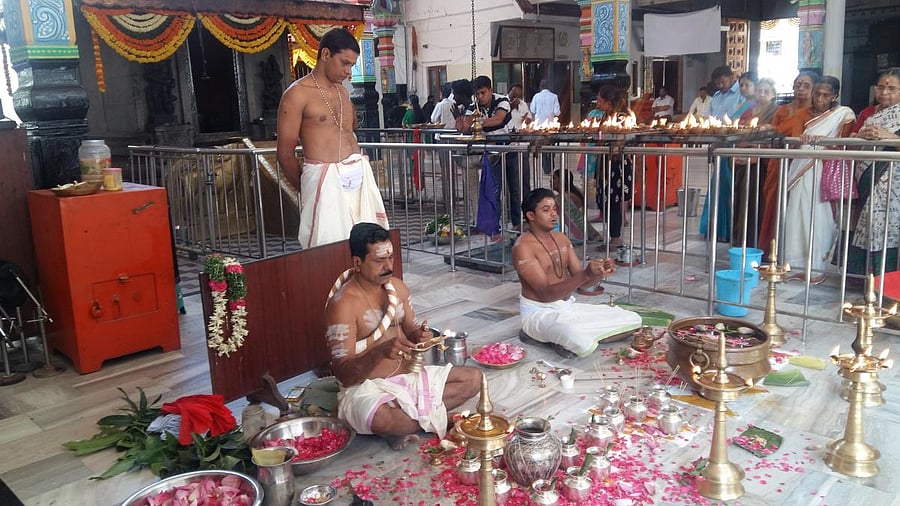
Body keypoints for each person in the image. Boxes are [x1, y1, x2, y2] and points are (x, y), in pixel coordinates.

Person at [326, 223, 482, 449]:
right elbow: (343, 374)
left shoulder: (397, 288)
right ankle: (429, 418)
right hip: (367, 389)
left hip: (410, 378)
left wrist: (422, 335)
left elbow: (411, 331)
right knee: (382, 417)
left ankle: (407, 423)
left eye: (390, 258)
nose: (388, 266)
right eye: (379, 261)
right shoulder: (344, 304)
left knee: (473, 378)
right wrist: (379, 351)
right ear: (357, 262)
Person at [276, 28, 389, 249]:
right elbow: (285, 155)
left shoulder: (343, 92)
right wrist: (310, 187)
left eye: (351, 66)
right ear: (326, 54)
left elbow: (347, 133)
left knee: (370, 247)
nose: (348, 72)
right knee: (328, 251)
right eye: (344, 63)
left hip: (357, 176)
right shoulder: (296, 94)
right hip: (324, 180)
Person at [513, 189, 642, 359]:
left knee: (632, 319)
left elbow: (583, 283)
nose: (553, 214)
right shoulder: (523, 247)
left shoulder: (561, 239)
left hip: (567, 308)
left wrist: (598, 272)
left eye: (554, 209)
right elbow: (544, 294)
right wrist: (585, 275)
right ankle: (544, 335)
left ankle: (562, 339)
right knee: (576, 336)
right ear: (531, 215)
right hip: (539, 313)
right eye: (546, 210)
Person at [782, 76, 855, 282]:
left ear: (835, 96)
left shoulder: (844, 114)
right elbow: (792, 138)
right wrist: (804, 139)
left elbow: (845, 144)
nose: (820, 98)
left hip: (824, 169)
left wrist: (824, 142)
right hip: (802, 168)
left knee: (819, 218)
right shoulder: (803, 114)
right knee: (797, 216)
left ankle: (816, 268)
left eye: (826, 95)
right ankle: (795, 265)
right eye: (817, 93)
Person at [758, 71, 818, 256]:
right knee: (772, 205)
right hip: (779, 163)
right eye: (797, 84)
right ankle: (770, 249)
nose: (800, 88)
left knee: (797, 207)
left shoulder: (815, 113)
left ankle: (792, 252)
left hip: (801, 164)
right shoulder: (782, 110)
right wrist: (769, 129)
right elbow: (775, 131)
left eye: (806, 85)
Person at [848, 67, 900, 275]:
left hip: (893, 180)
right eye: (881, 87)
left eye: (892, 88)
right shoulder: (870, 114)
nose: (885, 92)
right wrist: (862, 136)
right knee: (869, 225)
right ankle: (867, 278)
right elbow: (853, 139)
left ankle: (887, 279)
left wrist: (888, 136)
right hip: (868, 176)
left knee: (888, 228)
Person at [461, 76, 528, 234]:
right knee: (494, 189)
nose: (480, 97)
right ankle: (494, 227)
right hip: (492, 151)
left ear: (491, 90)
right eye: (477, 94)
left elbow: (499, 119)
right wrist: (463, 125)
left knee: (515, 189)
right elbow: (465, 124)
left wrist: (476, 123)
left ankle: (518, 225)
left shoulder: (502, 100)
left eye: (483, 93)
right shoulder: (474, 105)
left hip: (512, 149)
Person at [585, 85, 632, 247]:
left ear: (609, 103)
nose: (597, 103)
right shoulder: (607, 115)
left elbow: (622, 139)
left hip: (617, 164)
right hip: (605, 163)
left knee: (613, 200)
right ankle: (613, 236)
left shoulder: (623, 116)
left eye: (600, 100)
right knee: (606, 200)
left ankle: (616, 238)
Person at [551, 169, 601, 243]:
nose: (550, 181)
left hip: (579, 235)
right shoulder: (575, 191)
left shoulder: (564, 197)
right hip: (586, 232)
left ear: (562, 181)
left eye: (554, 178)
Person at [531, 79, 561, 174]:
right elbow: (557, 112)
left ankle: (546, 168)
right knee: (551, 145)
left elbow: (532, 109)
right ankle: (550, 166)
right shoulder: (554, 97)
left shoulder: (536, 96)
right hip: (550, 126)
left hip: (539, 127)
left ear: (540, 87)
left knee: (542, 146)